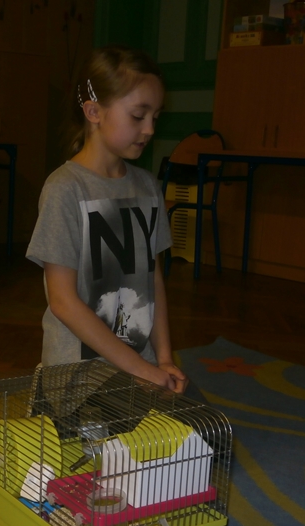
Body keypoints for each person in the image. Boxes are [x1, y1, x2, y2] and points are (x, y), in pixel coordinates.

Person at [26, 46, 188, 393]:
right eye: (138, 115)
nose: (149, 129)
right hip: (78, 379)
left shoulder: (148, 186)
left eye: (155, 117)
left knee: (202, 426)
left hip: (139, 369)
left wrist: (163, 360)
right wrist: (141, 369)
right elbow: (63, 302)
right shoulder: (65, 189)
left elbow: (153, 279)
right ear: (94, 111)